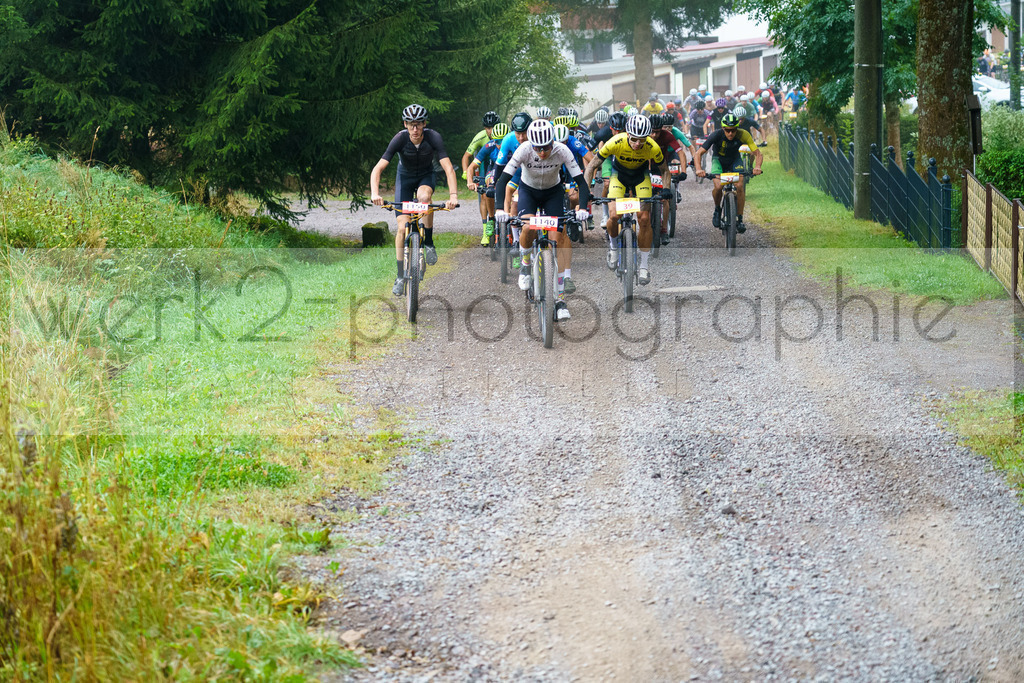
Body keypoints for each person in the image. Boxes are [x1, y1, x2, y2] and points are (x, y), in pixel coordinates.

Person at [494, 120, 591, 321]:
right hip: (528, 191)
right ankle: (525, 264)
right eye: (538, 148)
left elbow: (581, 181)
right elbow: (502, 180)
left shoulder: (562, 150)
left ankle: (561, 300)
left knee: (558, 237)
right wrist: (498, 209)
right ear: (531, 143)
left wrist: (582, 207)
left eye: (546, 147)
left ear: (553, 142)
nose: (542, 152)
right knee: (528, 228)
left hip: (553, 193)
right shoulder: (523, 149)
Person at [370, 104, 460, 296]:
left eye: (418, 124)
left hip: (426, 177)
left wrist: (453, 196)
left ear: (424, 124)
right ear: (405, 124)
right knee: (402, 228)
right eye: (411, 125)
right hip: (405, 179)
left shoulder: (434, 137)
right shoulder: (400, 139)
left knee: (425, 197)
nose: (415, 129)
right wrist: (375, 194)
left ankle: (428, 242)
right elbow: (377, 169)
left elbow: (448, 168)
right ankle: (400, 275)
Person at [583, 114, 668, 287]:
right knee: (613, 216)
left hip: (640, 177)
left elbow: (665, 170)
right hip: (619, 177)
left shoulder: (652, 146)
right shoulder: (615, 142)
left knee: (644, 219)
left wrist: (666, 189)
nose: (638, 144)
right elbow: (592, 165)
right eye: (634, 139)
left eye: (642, 140)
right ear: (627, 134)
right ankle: (614, 248)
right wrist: (587, 191)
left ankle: (644, 265)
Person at [694, 113, 763, 235]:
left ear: (737, 129)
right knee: (719, 186)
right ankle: (717, 209)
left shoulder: (743, 134)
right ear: (723, 129)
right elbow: (698, 153)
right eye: (727, 130)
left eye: (733, 130)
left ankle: (740, 219)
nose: (730, 133)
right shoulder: (716, 135)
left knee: (740, 186)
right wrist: (699, 169)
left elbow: (757, 153)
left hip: (734, 160)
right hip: (718, 160)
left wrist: (757, 167)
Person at [461, 111, 501, 245]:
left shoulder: (504, 134)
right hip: (485, 166)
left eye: (493, 127)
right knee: (484, 194)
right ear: (485, 128)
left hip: (502, 166)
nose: (491, 131)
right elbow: (466, 156)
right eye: (488, 128)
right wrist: (467, 173)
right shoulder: (480, 137)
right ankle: (485, 230)